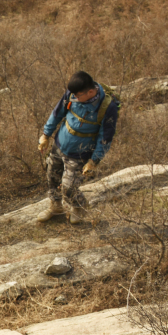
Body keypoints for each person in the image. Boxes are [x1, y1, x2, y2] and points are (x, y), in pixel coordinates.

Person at [36, 71, 121, 225]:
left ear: (90, 92)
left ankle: (79, 207)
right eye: (73, 95)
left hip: (80, 153)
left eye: (78, 96)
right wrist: (46, 135)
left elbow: (105, 137)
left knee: (69, 187)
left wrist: (94, 161)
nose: (74, 98)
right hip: (60, 144)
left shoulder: (108, 107)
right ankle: (56, 207)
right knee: (52, 177)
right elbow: (57, 113)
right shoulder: (72, 93)